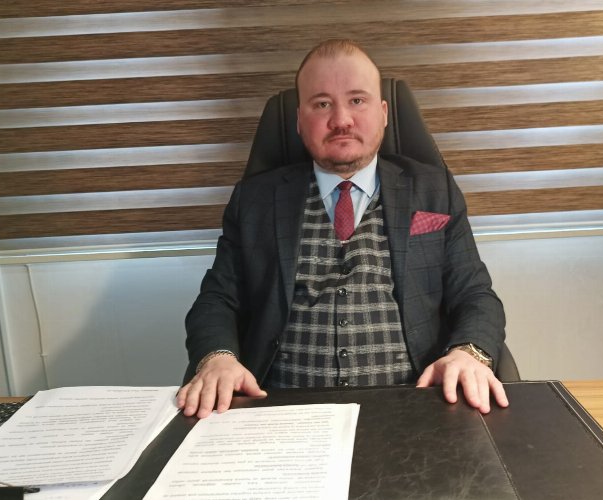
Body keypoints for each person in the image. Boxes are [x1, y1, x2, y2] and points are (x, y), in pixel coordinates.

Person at [178, 39, 509, 419]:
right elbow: (217, 300)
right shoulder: (254, 199)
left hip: (414, 404)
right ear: (299, 120)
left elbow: (475, 294)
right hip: (278, 410)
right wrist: (218, 358)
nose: (341, 120)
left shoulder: (434, 190)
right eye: (322, 104)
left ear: (383, 113)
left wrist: (469, 353)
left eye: (357, 100)